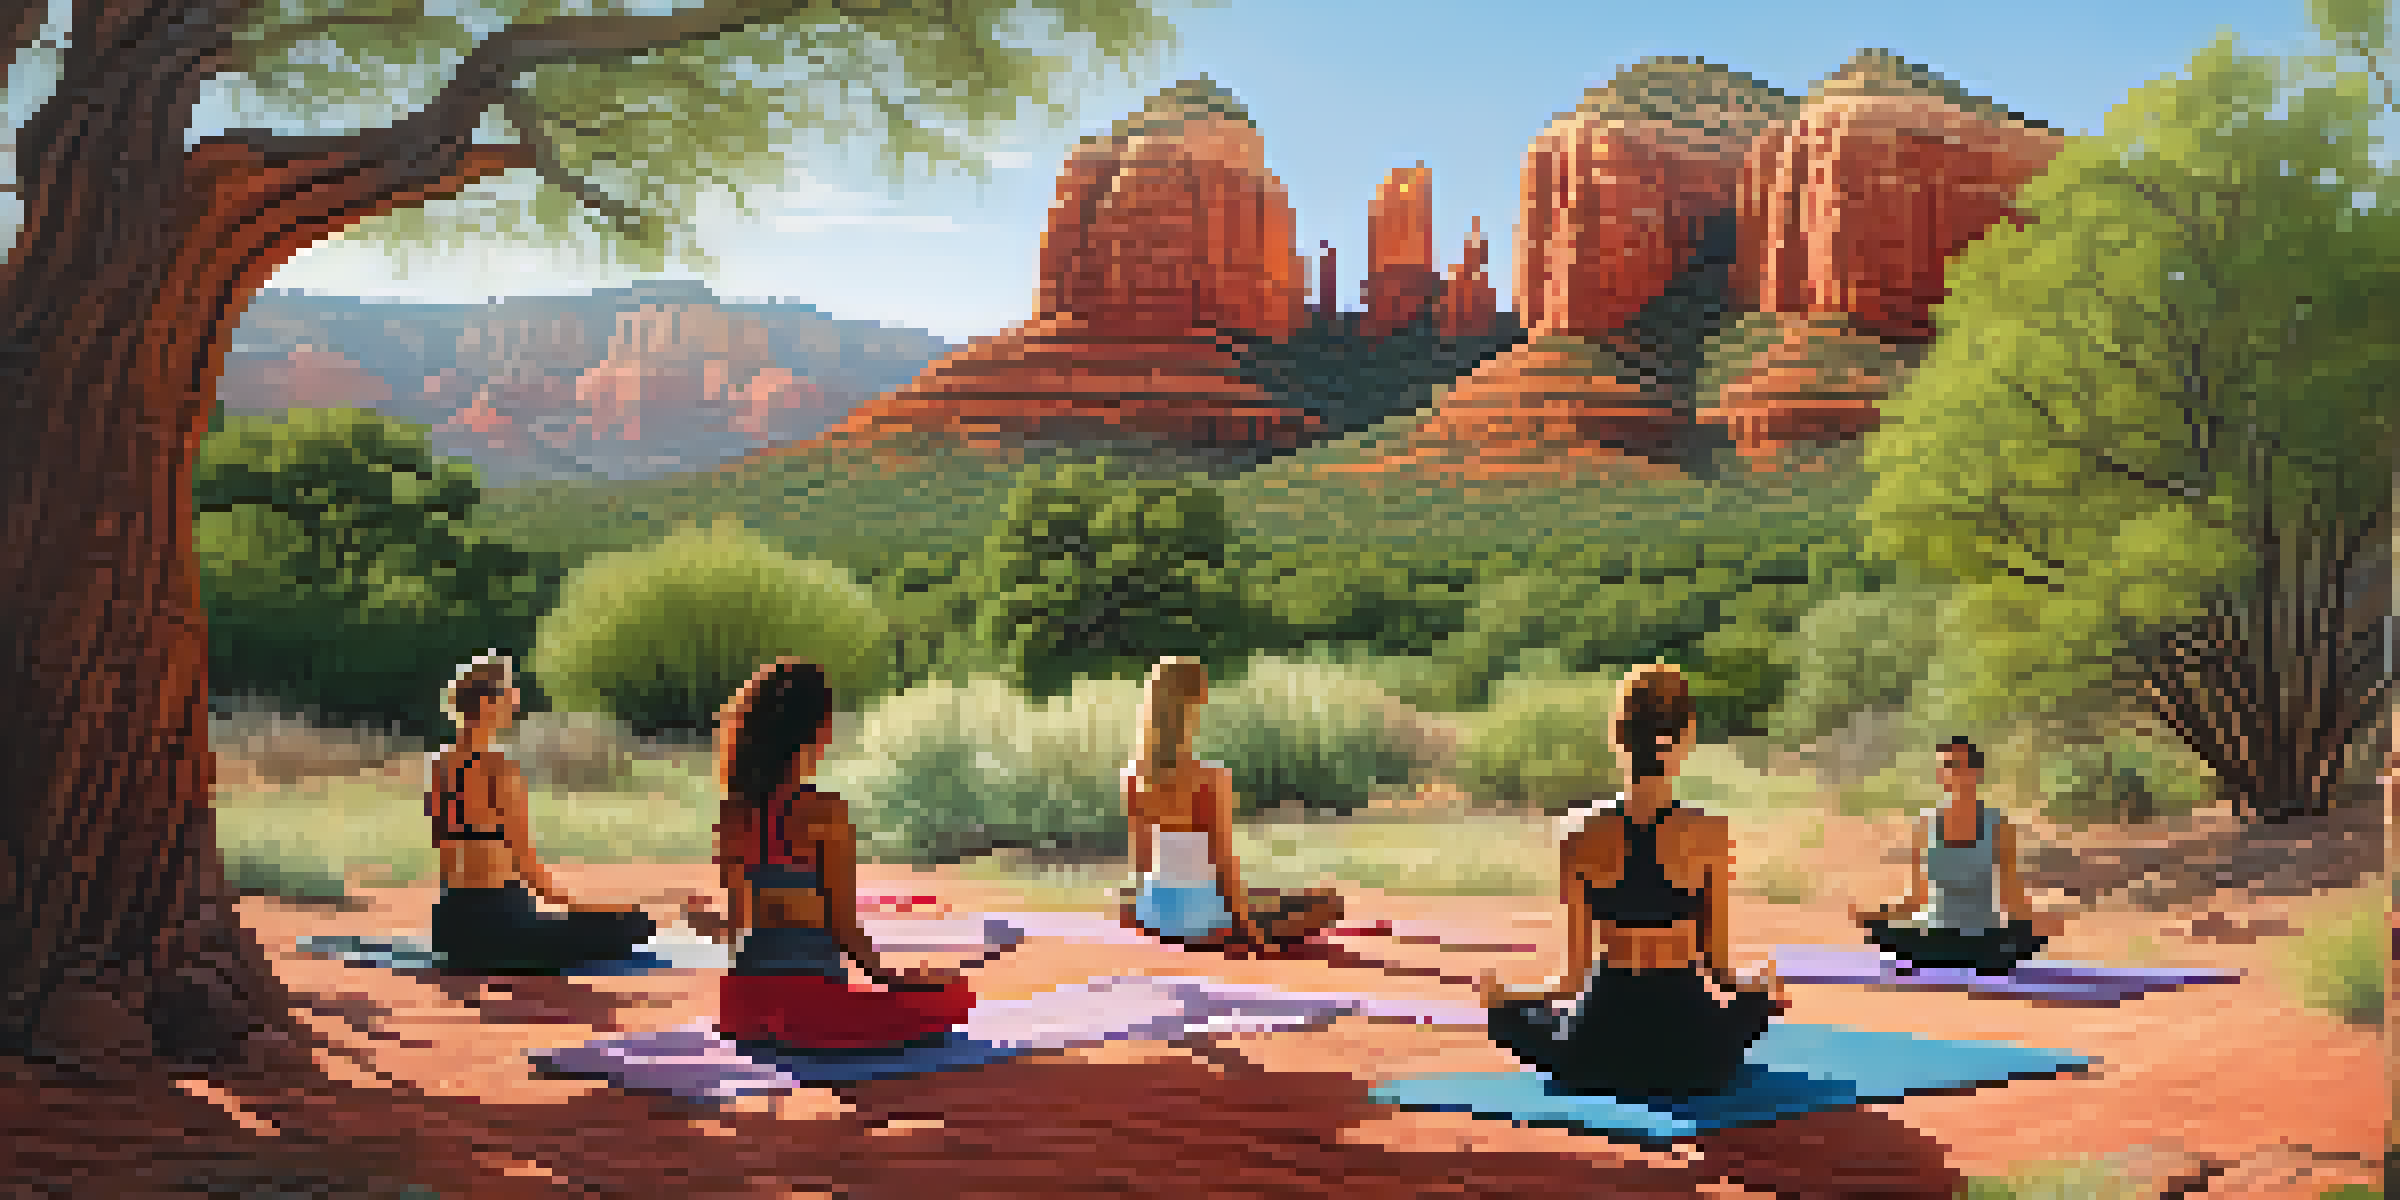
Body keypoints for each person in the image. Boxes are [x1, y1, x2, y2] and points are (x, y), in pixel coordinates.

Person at [1475, 662, 1786, 1099]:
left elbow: (1569, 981)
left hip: (1599, 1044)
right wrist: (1761, 986)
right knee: (1758, 1000)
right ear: (1686, 737)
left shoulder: (1578, 831)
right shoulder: (1712, 832)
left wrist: (1506, 995)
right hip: (1693, 1050)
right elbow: (1720, 971)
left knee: (1508, 1016)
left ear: (1617, 737)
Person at [699, 658, 976, 1054]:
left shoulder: (732, 814)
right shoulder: (825, 813)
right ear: (815, 730)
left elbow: (738, 931)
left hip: (740, 1009)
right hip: (808, 1012)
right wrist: (906, 978)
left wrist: (705, 922)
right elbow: (845, 932)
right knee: (954, 994)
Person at [425, 653, 655, 972]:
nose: (516, 700)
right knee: (637, 924)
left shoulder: (438, 765)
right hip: (500, 928)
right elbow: (533, 874)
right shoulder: (500, 769)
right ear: (488, 703)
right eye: (509, 692)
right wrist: (603, 909)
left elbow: (446, 857)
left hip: (449, 927)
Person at [1120, 656, 1344, 952]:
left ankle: (1207, 921)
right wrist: (1254, 934)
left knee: (1267, 894)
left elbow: (1143, 862)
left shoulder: (1135, 776)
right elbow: (1224, 863)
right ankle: (1225, 926)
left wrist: (1143, 912)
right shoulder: (1209, 777)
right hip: (1201, 919)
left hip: (1157, 912)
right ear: (1193, 703)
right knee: (1326, 903)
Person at [1849, 736, 2064, 976]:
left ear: (1976, 772)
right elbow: (1916, 899)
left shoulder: (1999, 826)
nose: (1951, 773)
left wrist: (2042, 918)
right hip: (1934, 935)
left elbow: (2010, 899)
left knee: (2025, 937)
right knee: (1883, 932)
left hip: (1983, 938)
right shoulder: (1925, 824)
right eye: (1946, 767)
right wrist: (1875, 915)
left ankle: (1967, 958)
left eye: (1958, 765)